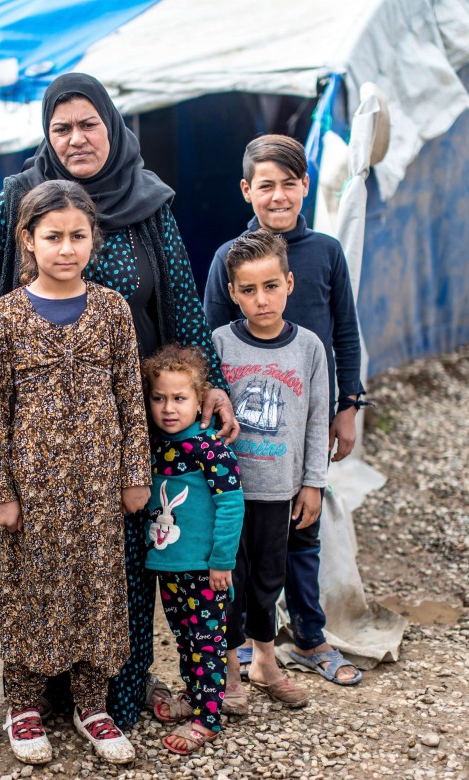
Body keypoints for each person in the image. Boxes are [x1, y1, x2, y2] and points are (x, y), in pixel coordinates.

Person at [0, 72, 237, 727]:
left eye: (88, 124)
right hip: (36, 438)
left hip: (130, 420)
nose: (75, 138)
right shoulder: (22, 195)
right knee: (39, 562)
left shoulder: (149, 202)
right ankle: (36, 697)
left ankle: (112, 695)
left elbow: (183, 301)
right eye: (61, 127)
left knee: (119, 563)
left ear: (113, 125)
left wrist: (211, 386)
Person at [0, 180, 150, 765]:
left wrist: (135, 473)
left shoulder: (111, 310)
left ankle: (92, 705)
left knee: (97, 588)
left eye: (78, 236)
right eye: (53, 237)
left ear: (93, 239)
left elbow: (131, 397)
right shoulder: (6, 315)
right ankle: (23, 705)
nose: (66, 248)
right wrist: (0, 490)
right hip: (33, 488)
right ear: (28, 240)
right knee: (31, 588)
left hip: (101, 485)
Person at [203, 134, 365, 686]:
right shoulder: (231, 258)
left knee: (303, 529)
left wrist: (348, 406)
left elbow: (346, 330)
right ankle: (253, 642)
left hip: (309, 415)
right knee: (247, 537)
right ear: (247, 190)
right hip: (246, 430)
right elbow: (211, 347)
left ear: (305, 187)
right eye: (265, 185)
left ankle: (312, 636)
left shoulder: (325, 252)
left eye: (288, 184)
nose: (278, 196)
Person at [212, 230, 331, 711]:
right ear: (232, 292)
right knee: (226, 582)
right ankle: (229, 671)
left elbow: (318, 419)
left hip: (279, 491)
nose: (261, 300)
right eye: (247, 290)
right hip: (227, 495)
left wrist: (313, 484)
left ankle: (265, 661)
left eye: (270, 286)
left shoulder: (309, 349)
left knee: (267, 581)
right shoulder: (219, 344)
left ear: (289, 283)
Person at [141, 344, 244, 755]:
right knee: (185, 639)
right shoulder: (156, 446)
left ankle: (208, 719)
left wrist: (221, 562)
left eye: (180, 398)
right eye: (159, 398)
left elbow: (232, 504)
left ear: (200, 401)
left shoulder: (209, 447)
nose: (168, 408)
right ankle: (194, 695)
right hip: (171, 567)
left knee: (206, 642)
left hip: (204, 570)